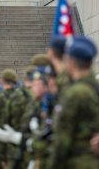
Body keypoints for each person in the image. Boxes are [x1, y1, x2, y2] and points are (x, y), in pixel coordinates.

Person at [49, 36, 99, 169]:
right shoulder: (94, 87)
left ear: (72, 62)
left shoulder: (75, 93)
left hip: (78, 162)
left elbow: (62, 138)